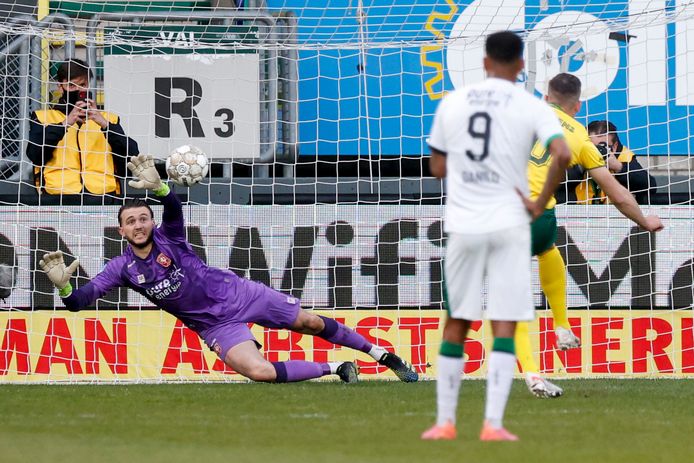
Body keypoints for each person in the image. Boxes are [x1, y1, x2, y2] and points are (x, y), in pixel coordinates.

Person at [38, 153, 418, 384]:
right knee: (261, 373)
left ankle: (382, 356)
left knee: (312, 324)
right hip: (216, 326)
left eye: (143, 219)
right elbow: (80, 301)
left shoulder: (170, 237)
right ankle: (336, 368)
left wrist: (161, 191)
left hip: (240, 293)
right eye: (131, 221)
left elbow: (174, 210)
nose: (138, 225)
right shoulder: (120, 268)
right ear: (120, 230)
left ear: (151, 223)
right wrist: (65, 289)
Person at [421, 31, 571, 442]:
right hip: (509, 223)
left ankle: (445, 423)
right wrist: (540, 201)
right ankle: (493, 425)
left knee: (458, 322)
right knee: (505, 323)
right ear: (521, 66)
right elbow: (562, 154)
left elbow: (437, 168)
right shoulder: (529, 105)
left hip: (465, 222)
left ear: (484, 62)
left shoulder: (454, 101)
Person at [517, 73, 664, 398]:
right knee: (546, 249)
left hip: (499, 212)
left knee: (508, 299)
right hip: (542, 217)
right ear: (578, 105)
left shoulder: (519, 111)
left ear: (544, 98)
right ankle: (562, 324)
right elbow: (619, 195)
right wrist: (645, 221)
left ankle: (531, 372)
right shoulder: (580, 136)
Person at [26, 59, 139, 205]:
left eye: (83, 85)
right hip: (57, 196)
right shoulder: (43, 117)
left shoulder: (108, 119)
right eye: (72, 85)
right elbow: (34, 154)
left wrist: (104, 125)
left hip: (103, 196)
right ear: (60, 87)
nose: (79, 90)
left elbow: (133, 156)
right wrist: (66, 123)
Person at [574, 120, 656, 205]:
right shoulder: (577, 155)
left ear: (615, 146)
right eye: (591, 147)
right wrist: (579, 168)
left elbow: (651, 186)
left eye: (602, 147)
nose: (596, 151)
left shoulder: (624, 157)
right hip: (580, 210)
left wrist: (619, 167)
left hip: (616, 212)